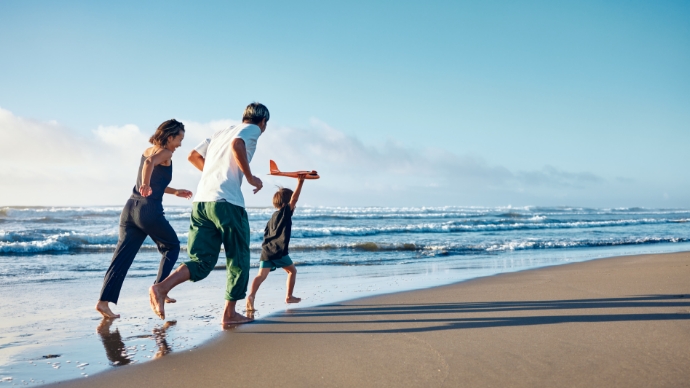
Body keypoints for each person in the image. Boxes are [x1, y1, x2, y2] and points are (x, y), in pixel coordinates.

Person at [149, 102, 269, 326]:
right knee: (238, 257)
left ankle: (161, 287)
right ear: (262, 122)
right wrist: (251, 178)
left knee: (201, 261)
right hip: (227, 203)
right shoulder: (252, 129)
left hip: (202, 202)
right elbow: (237, 144)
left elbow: (193, 155)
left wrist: (216, 173)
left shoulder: (220, 132)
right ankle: (230, 314)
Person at [96, 119, 193, 319]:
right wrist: (147, 185)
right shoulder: (165, 153)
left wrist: (174, 192)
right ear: (170, 136)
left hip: (130, 208)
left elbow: (150, 176)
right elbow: (149, 170)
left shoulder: (149, 150)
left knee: (121, 258)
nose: (180, 144)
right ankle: (160, 289)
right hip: (148, 210)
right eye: (179, 139)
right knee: (172, 246)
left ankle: (103, 303)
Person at [246, 176, 305, 312]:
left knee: (260, 276)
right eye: (292, 203)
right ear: (287, 203)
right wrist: (300, 182)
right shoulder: (285, 212)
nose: (294, 205)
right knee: (292, 271)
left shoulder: (272, 217)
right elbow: (294, 199)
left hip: (266, 251)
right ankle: (289, 296)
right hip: (279, 251)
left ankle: (251, 296)